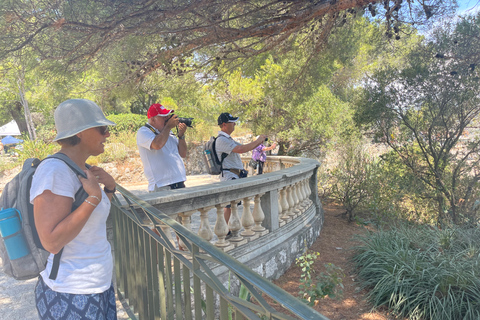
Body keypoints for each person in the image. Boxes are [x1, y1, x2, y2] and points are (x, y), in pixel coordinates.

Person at [30, 99, 117, 320]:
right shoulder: (54, 171)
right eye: (102, 129)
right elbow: (51, 241)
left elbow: (90, 219)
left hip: (98, 285)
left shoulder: (83, 169)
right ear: (80, 132)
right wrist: (94, 197)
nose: (107, 134)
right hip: (71, 291)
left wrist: (109, 188)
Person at [215, 112, 267, 230]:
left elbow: (245, 146)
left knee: (231, 205)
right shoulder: (221, 140)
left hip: (233, 176)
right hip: (229, 177)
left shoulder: (227, 139)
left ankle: (227, 229)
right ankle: (223, 230)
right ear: (224, 124)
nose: (234, 124)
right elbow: (241, 149)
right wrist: (258, 140)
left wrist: (258, 142)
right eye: (232, 122)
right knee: (229, 205)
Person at [136, 103, 188, 192]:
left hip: (179, 182)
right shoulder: (143, 131)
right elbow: (157, 145)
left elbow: (183, 154)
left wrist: (181, 136)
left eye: (167, 116)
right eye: (163, 117)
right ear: (153, 119)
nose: (167, 119)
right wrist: (168, 127)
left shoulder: (168, 133)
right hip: (162, 185)